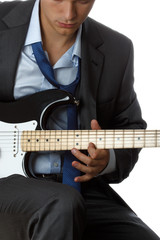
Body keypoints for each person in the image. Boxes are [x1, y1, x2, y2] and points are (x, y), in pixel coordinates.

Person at [0, 0, 159, 239]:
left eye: (83, 0)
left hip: (79, 188)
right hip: (8, 187)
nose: (69, 13)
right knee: (62, 204)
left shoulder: (118, 49)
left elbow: (131, 127)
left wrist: (107, 160)